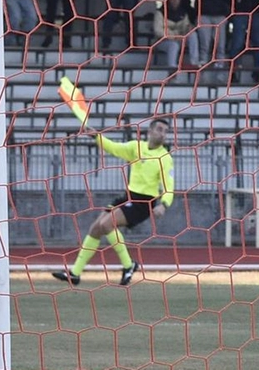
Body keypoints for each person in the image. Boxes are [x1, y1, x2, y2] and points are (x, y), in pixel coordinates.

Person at [54, 116, 176, 287]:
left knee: (107, 224)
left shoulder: (165, 158)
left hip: (144, 202)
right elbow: (114, 148)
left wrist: (164, 203)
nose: (163, 134)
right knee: (96, 228)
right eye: (159, 129)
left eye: (166, 132)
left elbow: (169, 185)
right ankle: (75, 273)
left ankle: (128, 265)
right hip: (128, 196)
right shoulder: (136, 147)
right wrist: (97, 136)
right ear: (150, 131)